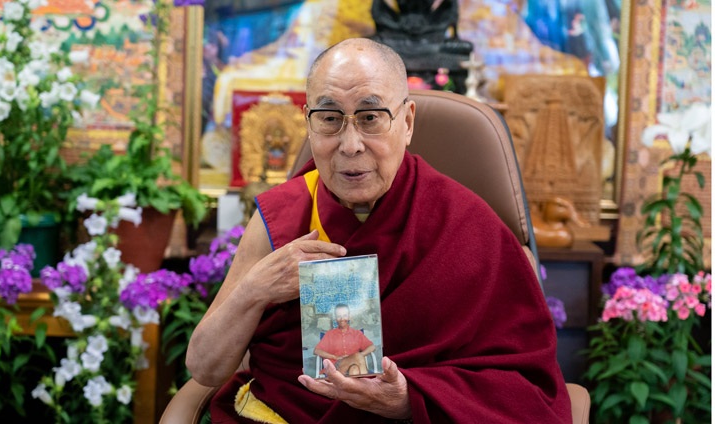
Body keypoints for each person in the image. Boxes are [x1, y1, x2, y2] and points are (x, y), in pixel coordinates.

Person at [186, 37, 572, 422]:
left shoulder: (467, 224)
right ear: (309, 121)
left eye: (370, 118)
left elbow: (525, 387)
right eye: (330, 118)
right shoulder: (284, 217)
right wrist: (255, 289)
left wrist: (408, 398)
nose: (350, 145)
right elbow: (204, 368)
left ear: (406, 122)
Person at [313, 304, 376, 376]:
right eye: (339, 316)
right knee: (357, 357)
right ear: (335, 318)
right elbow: (316, 351)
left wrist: (359, 356)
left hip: (353, 367)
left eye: (345, 315)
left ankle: (352, 387)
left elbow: (372, 347)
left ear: (349, 316)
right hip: (336, 367)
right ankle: (367, 383)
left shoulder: (357, 334)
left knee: (354, 370)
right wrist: (335, 357)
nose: (342, 319)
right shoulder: (330, 334)